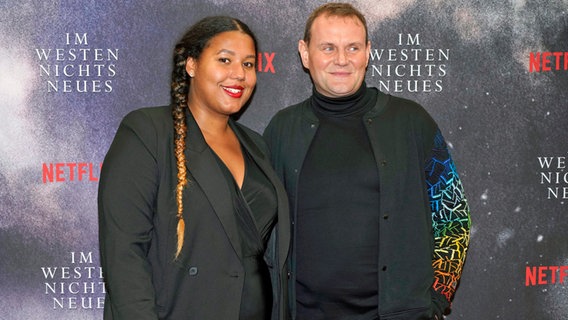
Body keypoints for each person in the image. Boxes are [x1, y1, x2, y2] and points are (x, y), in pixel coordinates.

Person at [263, 3, 471, 320]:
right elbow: (261, 230)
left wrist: (436, 300)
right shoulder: (281, 129)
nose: (341, 60)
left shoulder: (412, 122)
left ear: (368, 52)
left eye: (352, 47)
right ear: (305, 54)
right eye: (328, 48)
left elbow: (454, 217)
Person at [98, 16, 290, 320]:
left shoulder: (256, 146)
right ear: (191, 65)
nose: (239, 74)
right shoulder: (148, 132)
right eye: (225, 60)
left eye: (249, 64)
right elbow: (124, 253)